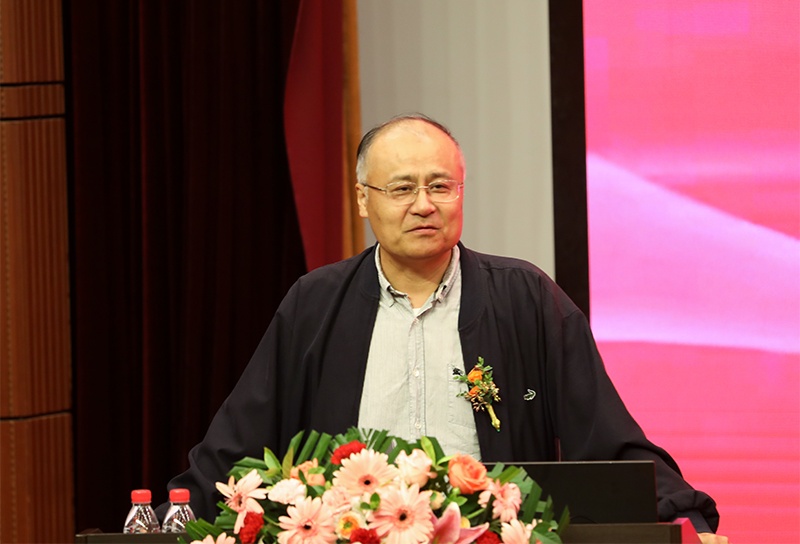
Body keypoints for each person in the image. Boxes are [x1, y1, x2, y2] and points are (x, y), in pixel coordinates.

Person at [163, 114, 728, 543]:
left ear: (460, 192)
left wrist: (686, 519)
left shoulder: (526, 298)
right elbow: (235, 448)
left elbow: (607, 440)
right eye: (401, 188)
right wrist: (167, 523)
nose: (424, 205)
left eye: (440, 186)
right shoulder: (315, 304)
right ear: (363, 200)